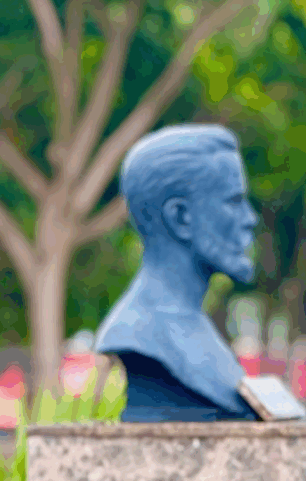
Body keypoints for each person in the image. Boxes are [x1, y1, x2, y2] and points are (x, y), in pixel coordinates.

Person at [96, 124, 259, 422]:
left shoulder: (197, 331)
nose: (250, 219)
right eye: (233, 202)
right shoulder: (140, 333)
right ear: (181, 217)